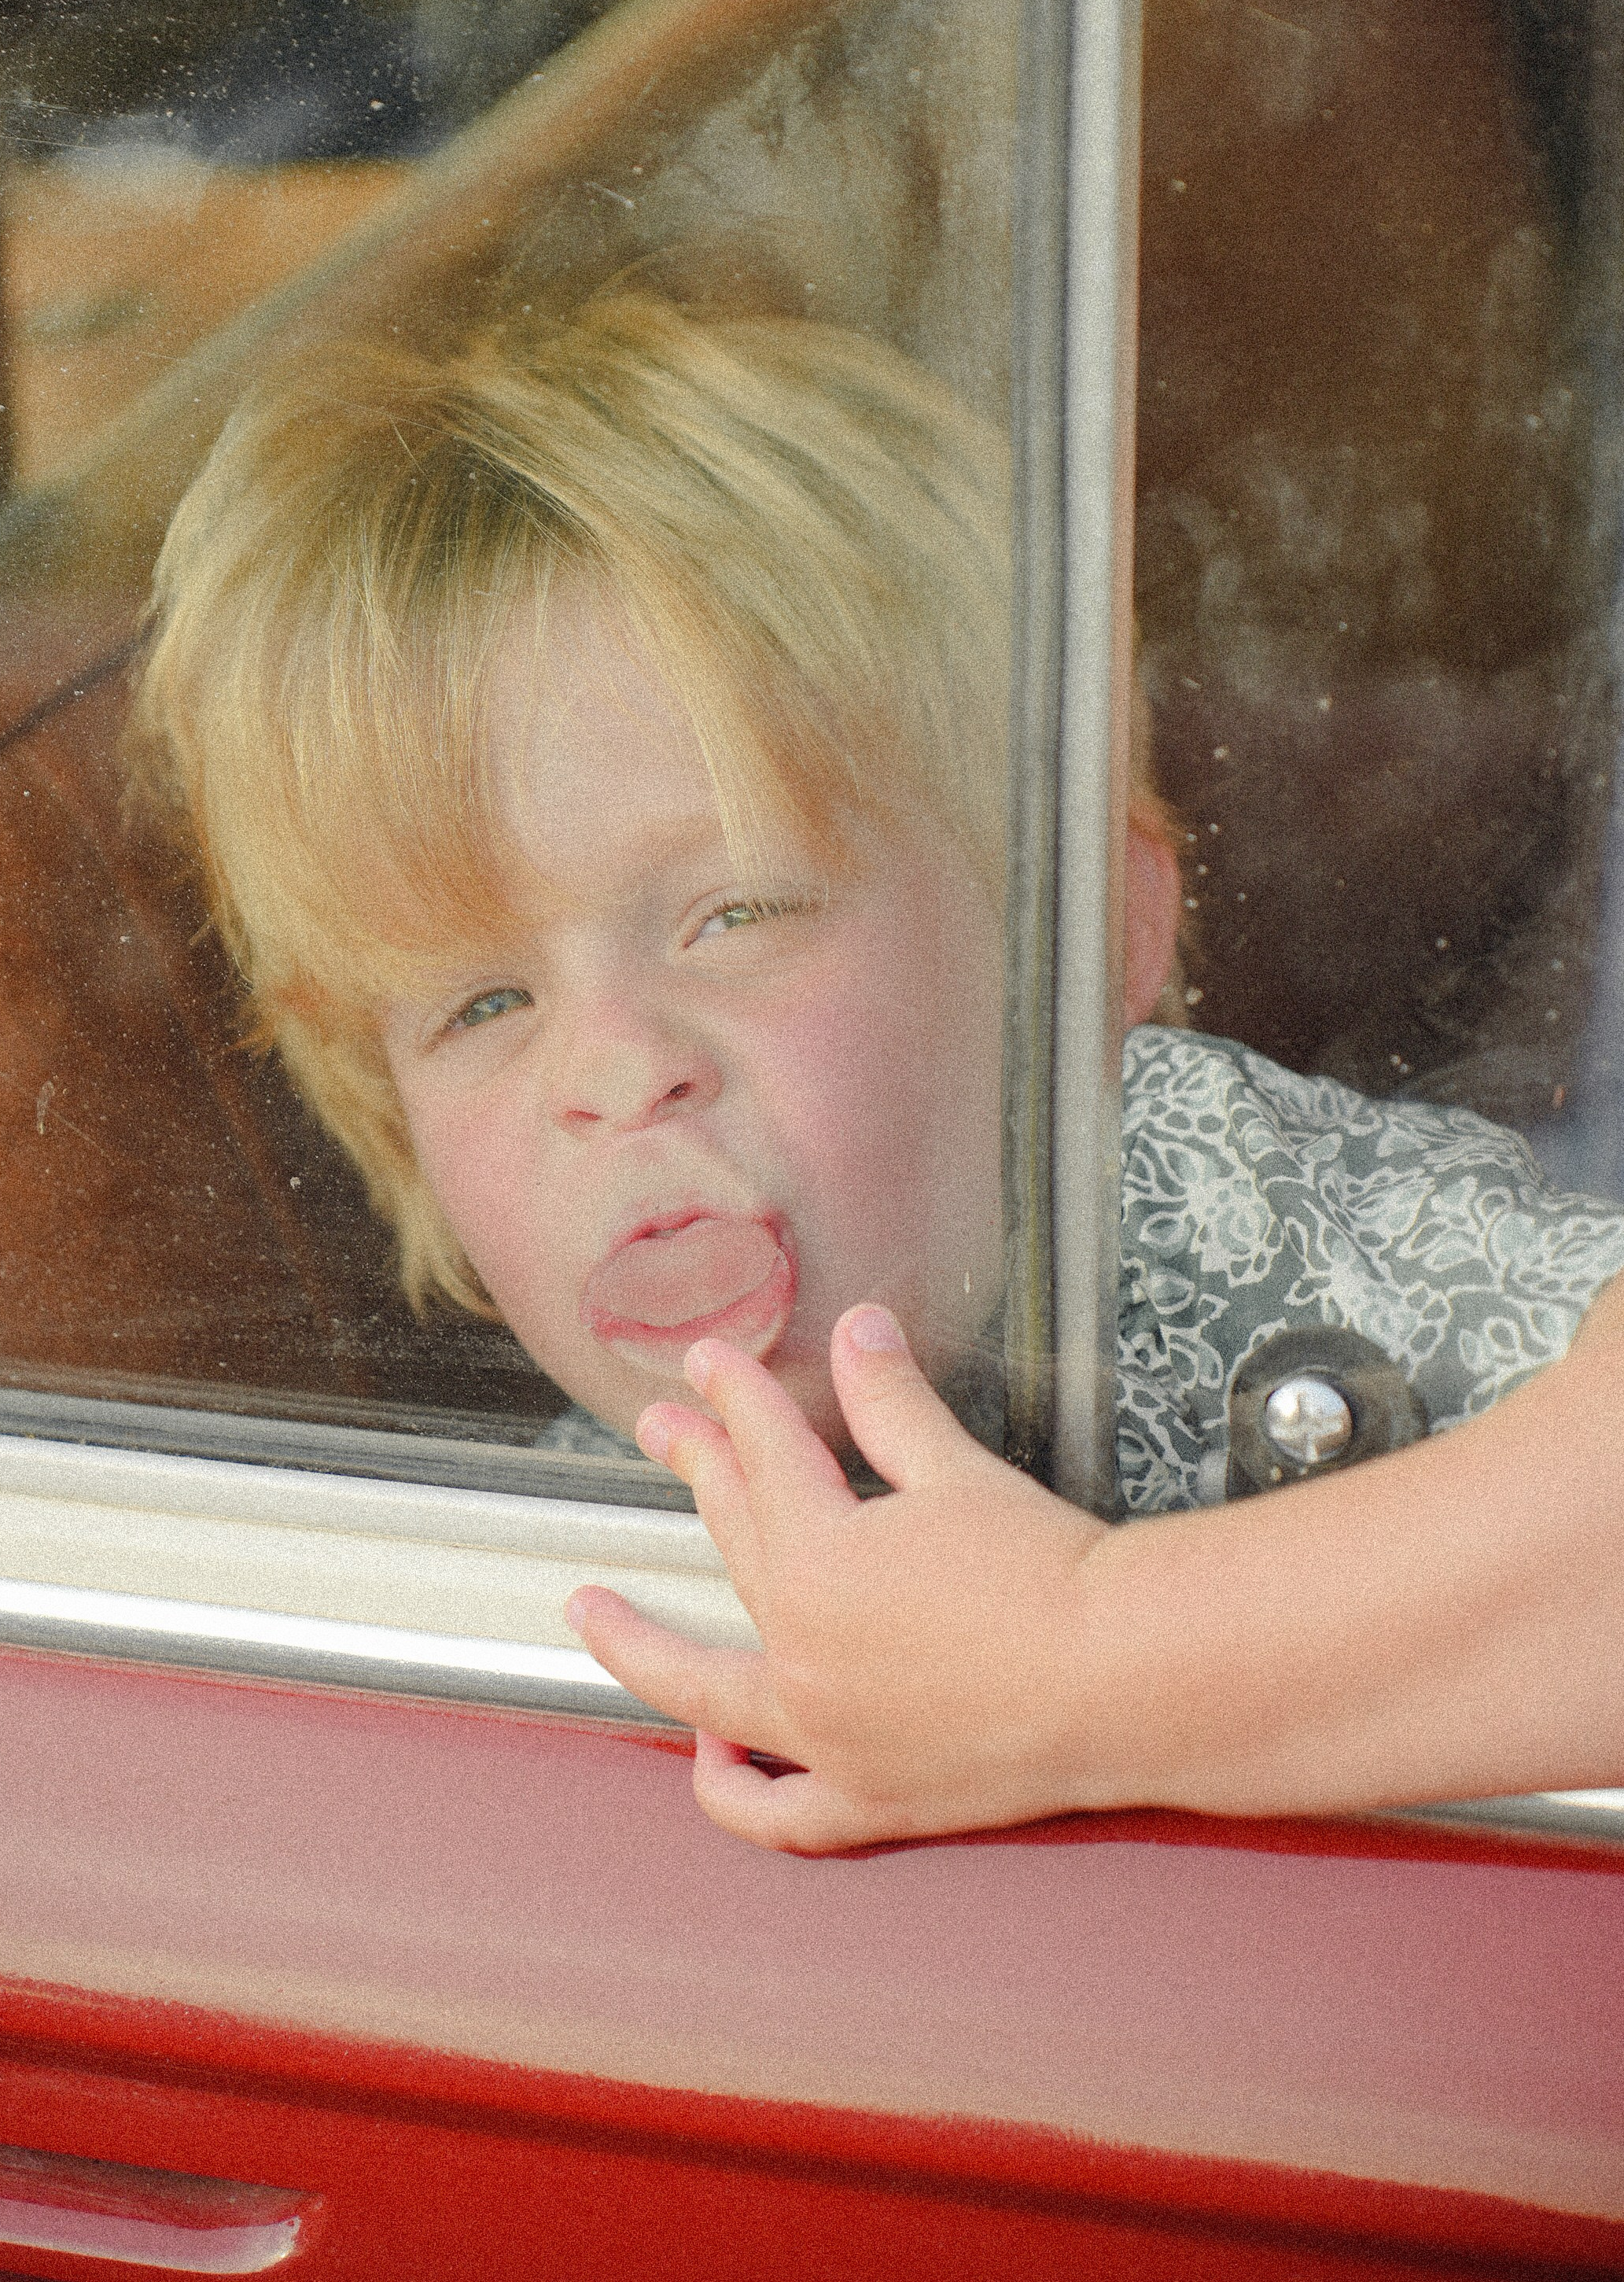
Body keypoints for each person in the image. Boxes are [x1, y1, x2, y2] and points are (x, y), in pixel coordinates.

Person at [131, 292, 1624, 1849]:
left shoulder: (1237, 1220)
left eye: (735, 914)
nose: (615, 1070)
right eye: (483, 1004)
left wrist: (1082, 1658)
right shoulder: (560, 1533)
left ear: (1080, 942)